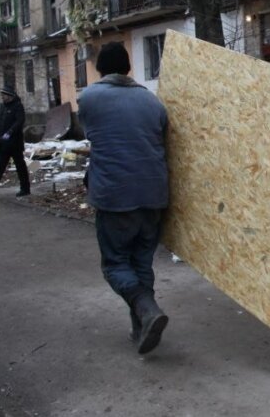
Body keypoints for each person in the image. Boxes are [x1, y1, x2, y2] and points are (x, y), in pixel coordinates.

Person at [77, 42, 171, 355]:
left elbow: (93, 134)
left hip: (116, 195)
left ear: (100, 68)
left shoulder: (89, 97)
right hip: (154, 194)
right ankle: (141, 328)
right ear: (129, 68)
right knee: (141, 263)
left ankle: (147, 311)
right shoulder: (151, 100)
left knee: (116, 263)